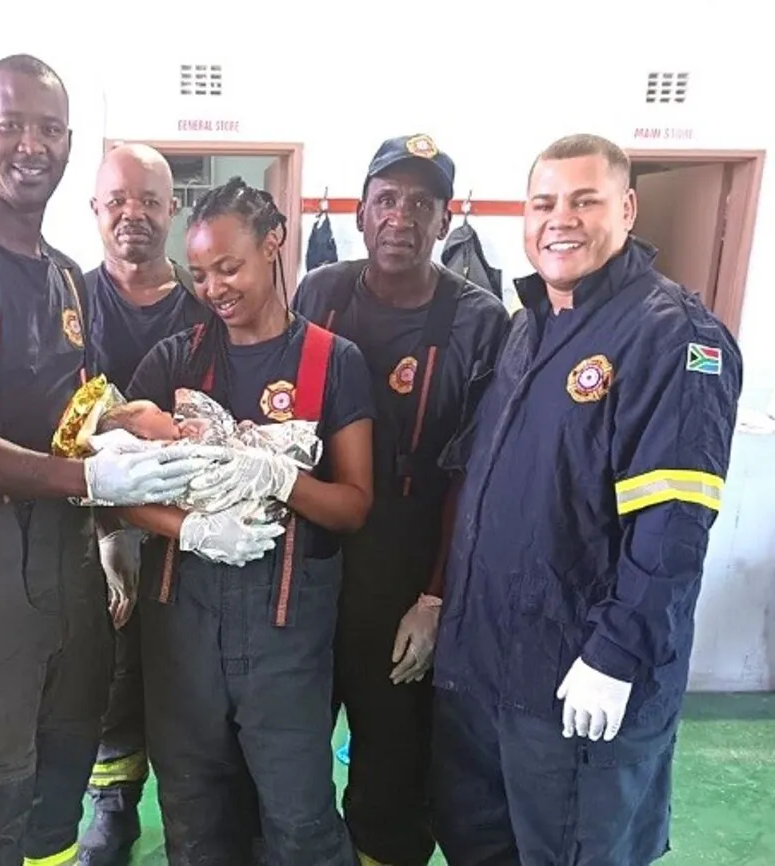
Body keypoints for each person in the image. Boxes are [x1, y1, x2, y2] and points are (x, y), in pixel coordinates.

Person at [0, 55, 229, 866]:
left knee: (61, 779)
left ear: (67, 142)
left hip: (68, 560)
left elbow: (70, 408)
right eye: (10, 127)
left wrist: (125, 419)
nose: (29, 145)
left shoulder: (66, 277)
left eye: (46, 129)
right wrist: (93, 480)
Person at [430, 133, 743, 865]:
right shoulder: (530, 326)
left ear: (627, 208)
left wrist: (616, 656)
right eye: (544, 203)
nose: (559, 219)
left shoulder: (674, 339)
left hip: (579, 691)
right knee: (480, 846)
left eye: (584, 200)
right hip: (485, 677)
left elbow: (672, 528)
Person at [118, 176, 375, 865]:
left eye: (228, 267)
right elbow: (112, 487)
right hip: (181, 628)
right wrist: (187, 530)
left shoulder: (331, 362)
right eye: (199, 273)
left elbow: (353, 504)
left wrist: (283, 477)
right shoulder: (178, 361)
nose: (214, 288)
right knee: (194, 814)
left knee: (299, 820)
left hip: (285, 636)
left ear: (274, 244)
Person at [293, 133, 511, 866]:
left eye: (422, 203)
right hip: (311, 561)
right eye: (387, 199)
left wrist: (436, 597)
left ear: (445, 222)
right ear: (360, 213)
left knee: (392, 775)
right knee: (284, 755)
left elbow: (475, 478)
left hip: (408, 570)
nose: (402, 217)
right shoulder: (318, 293)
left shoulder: (482, 323)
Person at [78, 143, 211, 866]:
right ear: (95, 209)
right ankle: (113, 803)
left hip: (187, 533)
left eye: (149, 201)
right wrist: (105, 525)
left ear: (171, 209)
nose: (133, 214)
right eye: (118, 200)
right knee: (107, 670)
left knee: (186, 671)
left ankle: (197, 806)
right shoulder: (66, 301)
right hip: (87, 519)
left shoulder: (203, 309)